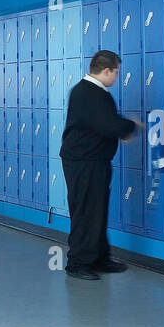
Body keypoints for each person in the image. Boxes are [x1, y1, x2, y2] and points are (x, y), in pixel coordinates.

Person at [61, 49, 137, 281]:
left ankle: (99, 258)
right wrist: (130, 126)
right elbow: (108, 125)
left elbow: (99, 125)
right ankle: (78, 263)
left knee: (97, 210)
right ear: (106, 71)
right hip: (85, 163)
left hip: (92, 161)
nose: (117, 77)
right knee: (86, 212)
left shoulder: (86, 91)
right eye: (116, 73)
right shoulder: (92, 94)